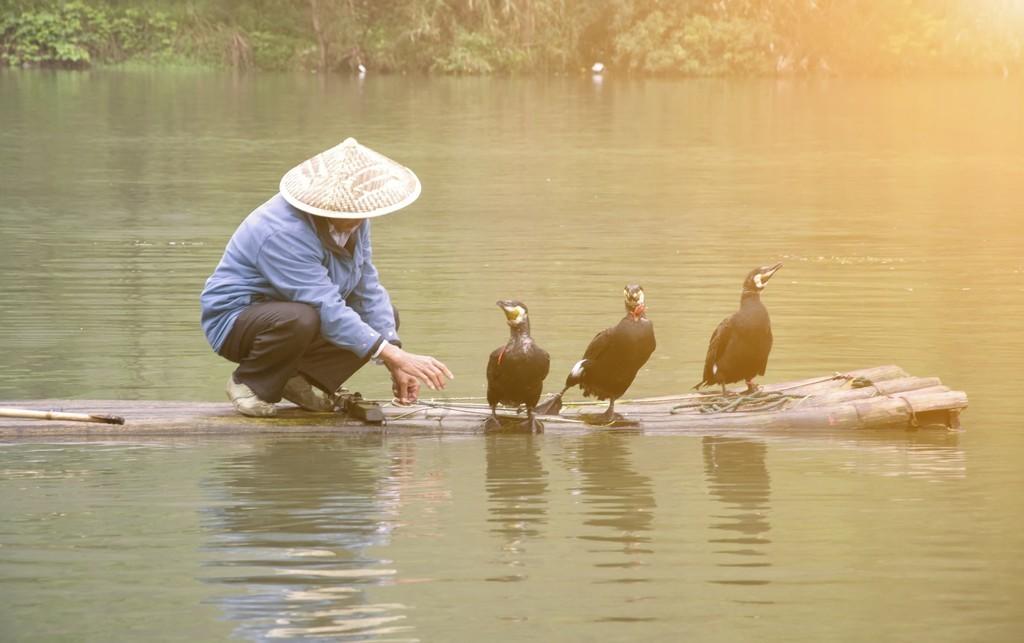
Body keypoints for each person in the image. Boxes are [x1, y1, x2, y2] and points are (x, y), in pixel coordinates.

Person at [200, 137, 453, 417]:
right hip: (239, 320)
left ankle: (300, 380)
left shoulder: (356, 220)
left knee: (384, 318)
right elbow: (323, 305)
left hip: (301, 315)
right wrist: (395, 357)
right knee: (300, 317)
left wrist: (393, 353)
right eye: (352, 212)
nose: (361, 219)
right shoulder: (283, 231)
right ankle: (249, 383)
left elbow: (367, 286)